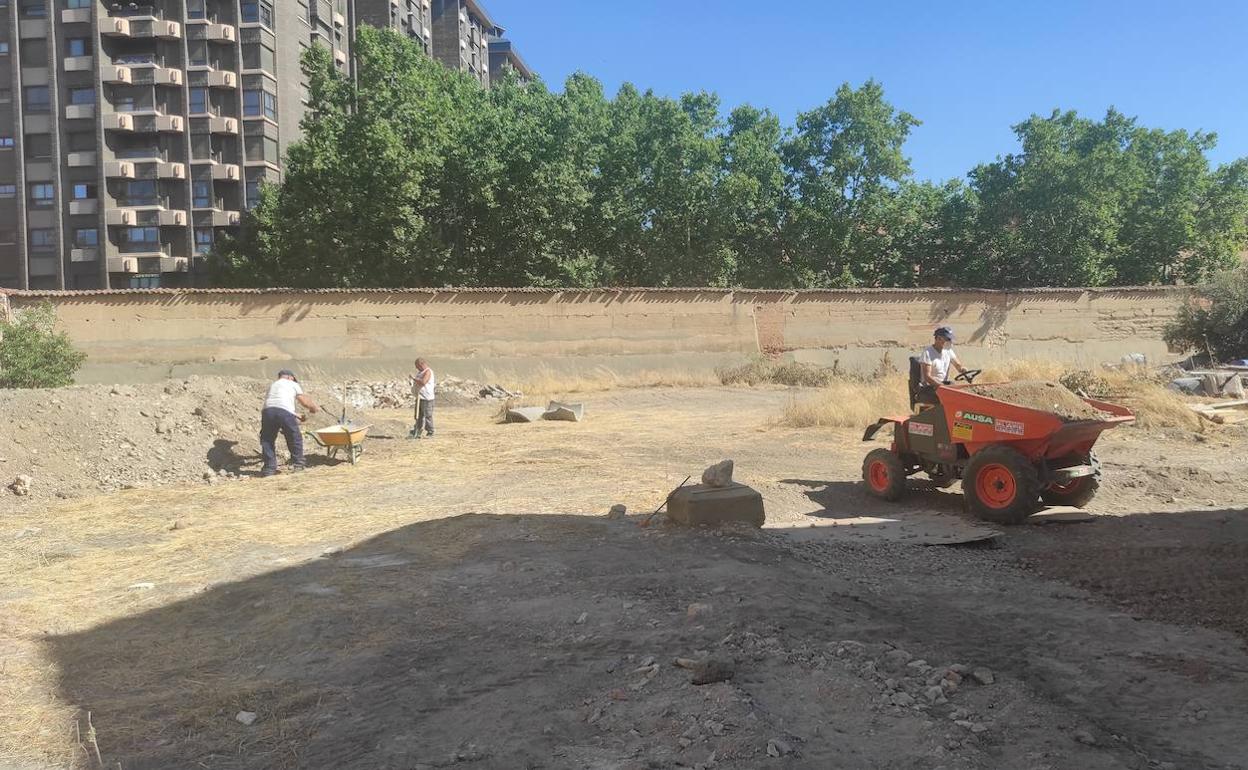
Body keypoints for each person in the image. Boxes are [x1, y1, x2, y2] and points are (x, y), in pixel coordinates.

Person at [260, 369, 320, 477]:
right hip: (284, 412)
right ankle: (298, 464)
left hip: (268, 411)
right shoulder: (292, 383)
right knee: (294, 436)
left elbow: (277, 404)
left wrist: (294, 414)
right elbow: (304, 401)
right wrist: (314, 408)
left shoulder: (273, 385)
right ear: (290, 377)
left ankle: (269, 468)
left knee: (267, 439)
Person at [915, 326, 968, 406]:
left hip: (943, 385)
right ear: (939, 338)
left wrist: (962, 369)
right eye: (948, 339)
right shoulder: (928, 352)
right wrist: (942, 387)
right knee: (953, 396)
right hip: (930, 387)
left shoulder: (948, 351)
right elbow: (927, 377)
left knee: (962, 392)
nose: (949, 342)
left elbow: (958, 365)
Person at [409, 358, 435, 439]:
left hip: (427, 397)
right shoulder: (420, 372)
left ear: (421, 364)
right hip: (419, 396)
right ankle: (417, 429)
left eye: (417, 366)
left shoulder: (428, 371)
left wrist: (414, 378)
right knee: (418, 415)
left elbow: (423, 382)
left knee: (427, 415)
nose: (416, 368)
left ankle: (430, 431)